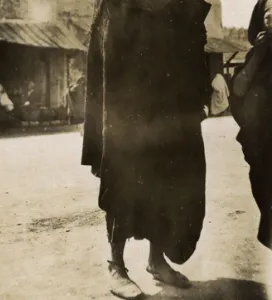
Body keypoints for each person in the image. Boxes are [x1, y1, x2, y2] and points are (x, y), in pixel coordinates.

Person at [81, 0, 211, 298]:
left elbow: (192, 46)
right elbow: (107, 63)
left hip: (170, 106)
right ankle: (116, 265)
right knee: (124, 180)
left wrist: (202, 88)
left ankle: (156, 260)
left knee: (169, 181)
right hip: (129, 107)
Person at [231, 0, 272, 251]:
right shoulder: (254, 56)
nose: (271, 19)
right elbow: (238, 90)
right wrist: (259, 53)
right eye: (268, 14)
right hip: (263, 149)